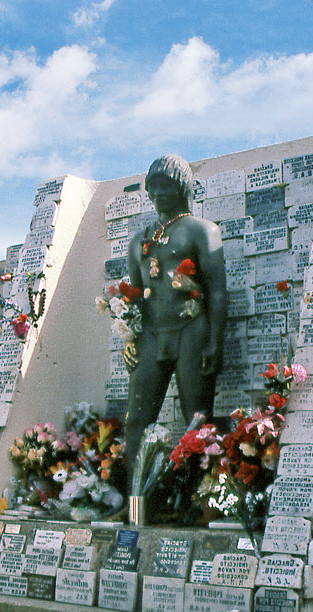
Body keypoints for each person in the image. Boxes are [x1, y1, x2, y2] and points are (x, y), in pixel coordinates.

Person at [124, 154, 227, 489]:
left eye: (166, 185)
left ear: (183, 187)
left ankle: (198, 499)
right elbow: (133, 295)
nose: (158, 193)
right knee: (137, 418)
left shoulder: (202, 230)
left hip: (191, 329)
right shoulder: (139, 240)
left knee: (196, 417)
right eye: (152, 187)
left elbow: (217, 290)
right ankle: (135, 503)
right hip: (151, 334)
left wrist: (215, 339)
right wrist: (129, 337)